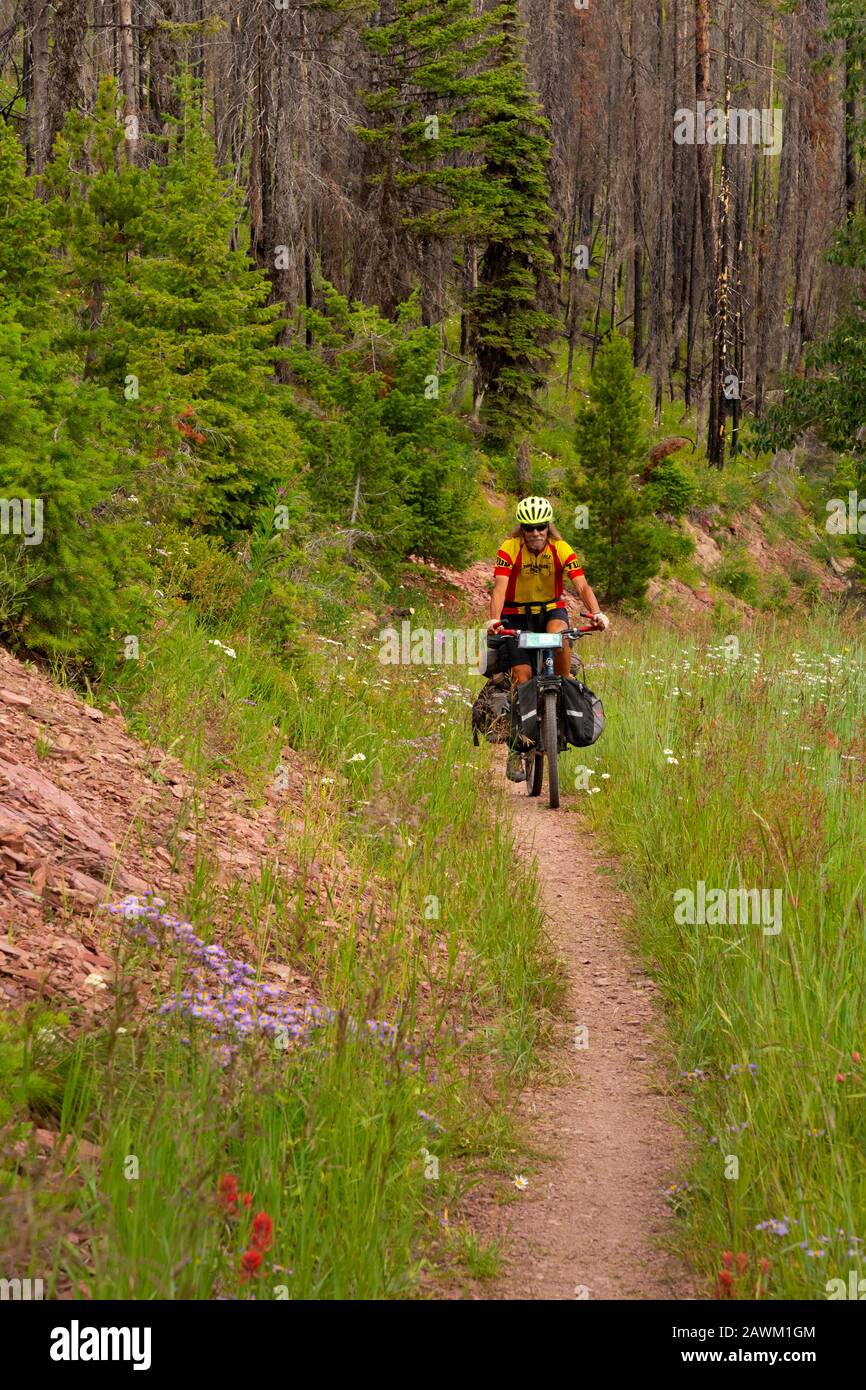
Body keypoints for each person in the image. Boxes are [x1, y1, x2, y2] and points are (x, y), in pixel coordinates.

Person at [487, 495, 609, 782]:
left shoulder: (561, 548)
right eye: (529, 528)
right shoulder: (509, 548)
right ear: (522, 529)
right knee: (522, 675)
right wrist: (494, 619)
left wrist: (597, 613)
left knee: (560, 635)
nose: (535, 533)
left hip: (550, 610)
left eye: (541, 527)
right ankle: (517, 748)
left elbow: (581, 584)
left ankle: (564, 702)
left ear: (548, 526)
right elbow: (499, 588)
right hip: (515, 615)